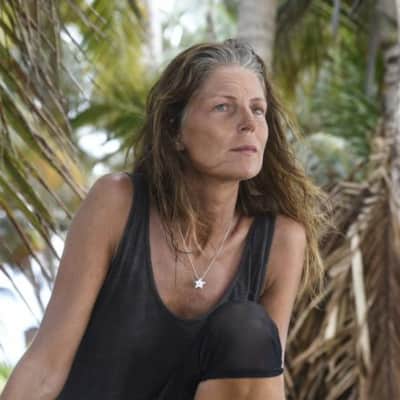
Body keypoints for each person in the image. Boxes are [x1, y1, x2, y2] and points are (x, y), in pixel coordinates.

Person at [1, 38, 328, 400]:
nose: (249, 124)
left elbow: (262, 381)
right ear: (175, 131)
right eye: (223, 107)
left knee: (248, 331)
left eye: (258, 109)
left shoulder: (281, 240)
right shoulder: (116, 204)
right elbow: (45, 366)